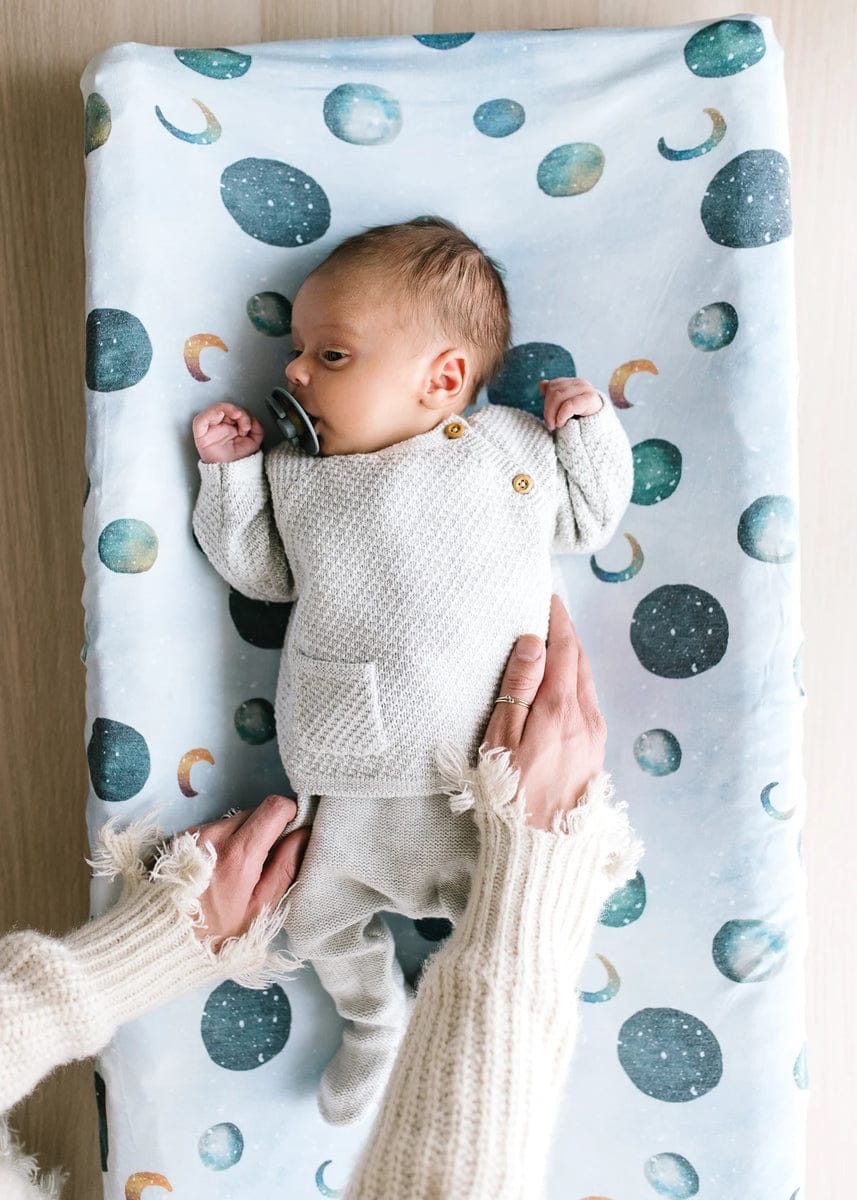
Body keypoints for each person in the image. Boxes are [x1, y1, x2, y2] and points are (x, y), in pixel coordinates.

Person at [191, 214, 635, 1124]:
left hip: (489, 779)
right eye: (298, 351)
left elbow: (588, 521)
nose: (295, 372)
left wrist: (590, 430)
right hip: (353, 767)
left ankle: (483, 1041)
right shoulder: (299, 475)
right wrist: (230, 474)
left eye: (331, 355)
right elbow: (260, 573)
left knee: (514, 920)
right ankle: (374, 1020)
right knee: (316, 916)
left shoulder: (510, 448)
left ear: (442, 378)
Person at [0, 594, 644, 1200]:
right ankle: (377, 1020)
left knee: (319, 906)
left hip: (468, 790)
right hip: (381, 811)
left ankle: (378, 1018)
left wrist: (136, 955)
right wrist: (539, 873)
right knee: (319, 918)